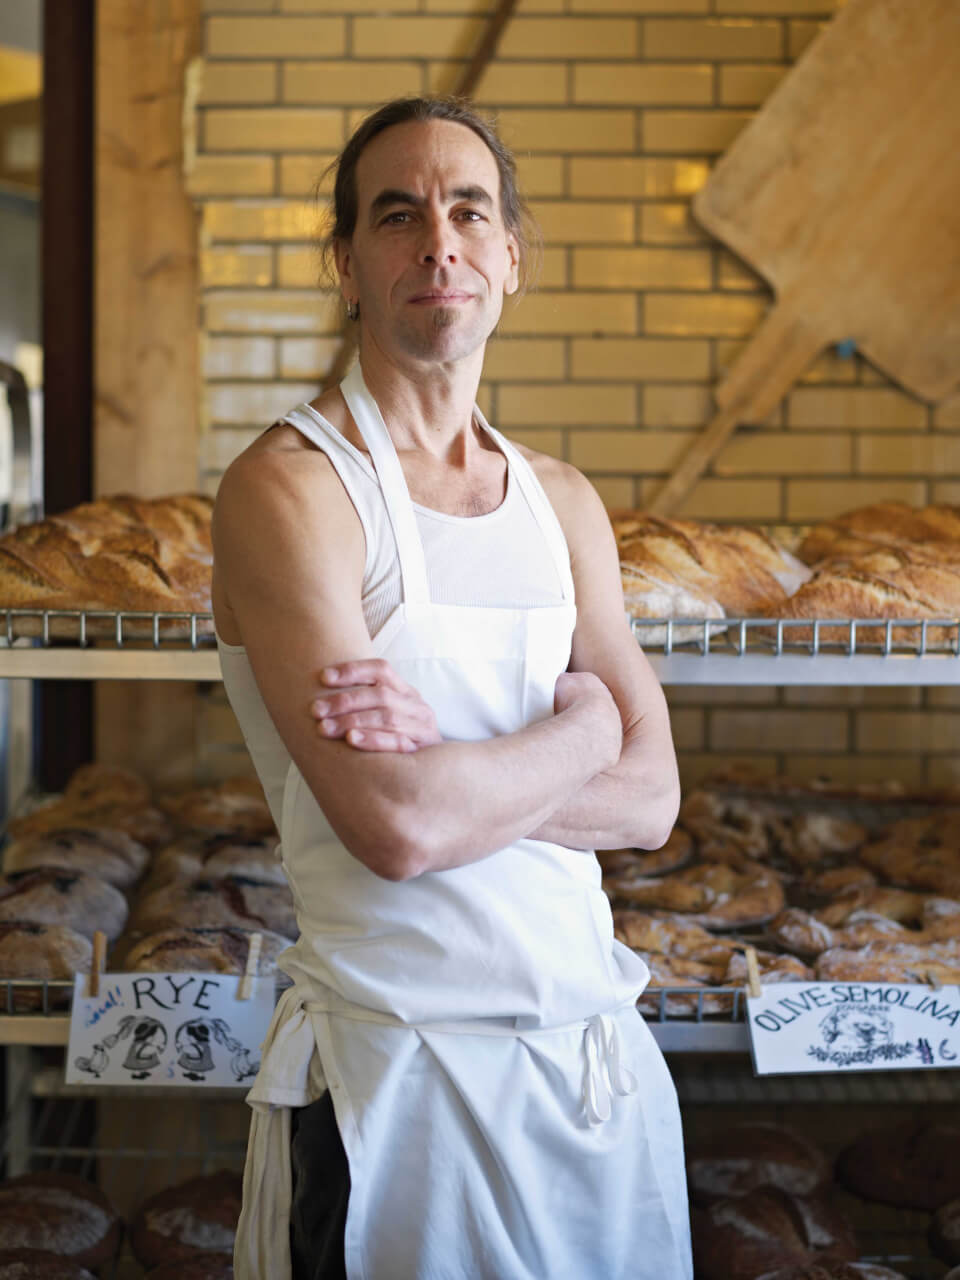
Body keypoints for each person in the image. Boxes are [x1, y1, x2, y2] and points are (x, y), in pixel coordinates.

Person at [212, 95, 692, 1280]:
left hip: (594, 1071)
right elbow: (397, 823)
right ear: (346, 264)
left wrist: (454, 767)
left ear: (510, 259)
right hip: (397, 1090)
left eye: (469, 209)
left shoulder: (562, 500)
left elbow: (652, 801)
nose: (439, 238)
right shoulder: (291, 489)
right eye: (397, 213)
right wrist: (583, 725)